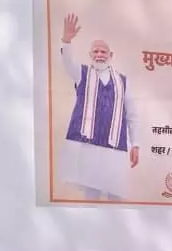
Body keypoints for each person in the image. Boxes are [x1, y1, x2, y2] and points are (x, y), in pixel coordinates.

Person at [56, 12, 140, 200]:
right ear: (90, 55)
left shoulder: (123, 82)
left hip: (115, 147)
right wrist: (66, 41)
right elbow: (67, 62)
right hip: (88, 146)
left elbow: (132, 115)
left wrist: (136, 144)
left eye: (103, 52)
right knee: (91, 193)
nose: (99, 55)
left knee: (115, 196)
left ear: (111, 55)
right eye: (96, 51)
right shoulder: (81, 73)